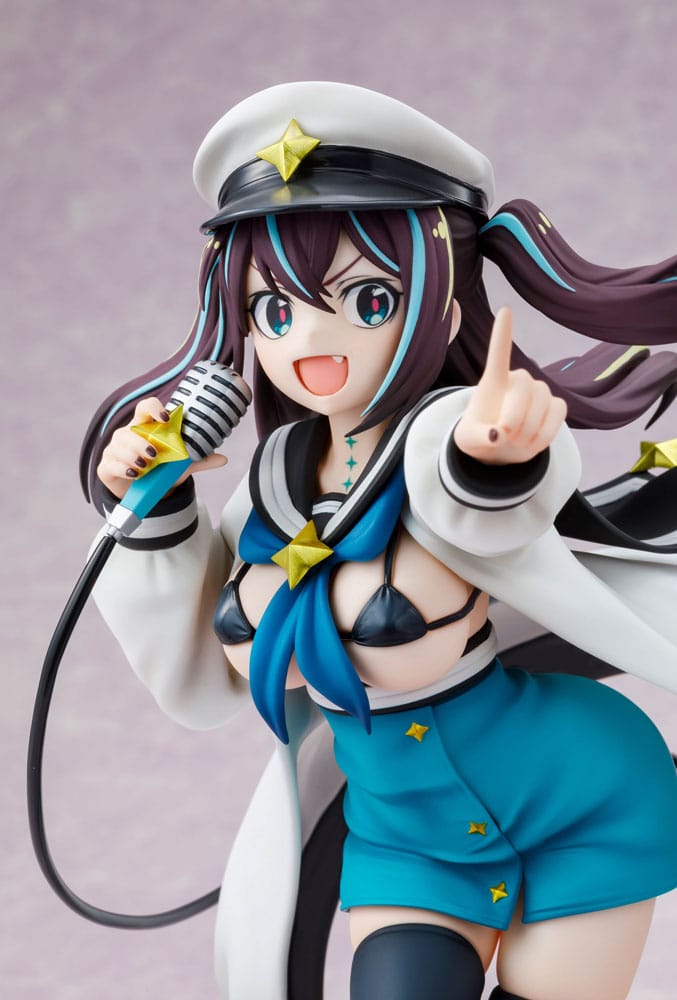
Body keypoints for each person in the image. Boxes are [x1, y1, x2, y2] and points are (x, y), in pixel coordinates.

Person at [81, 82, 677, 999]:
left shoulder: (446, 438)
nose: (310, 343)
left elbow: (483, 502)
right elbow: (197, 680)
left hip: (582, 801)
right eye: (274, 312)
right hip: (409, 837)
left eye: (366, 299)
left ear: (441, 302)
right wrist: (152, 509)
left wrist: (496, 454)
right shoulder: (271, 484)